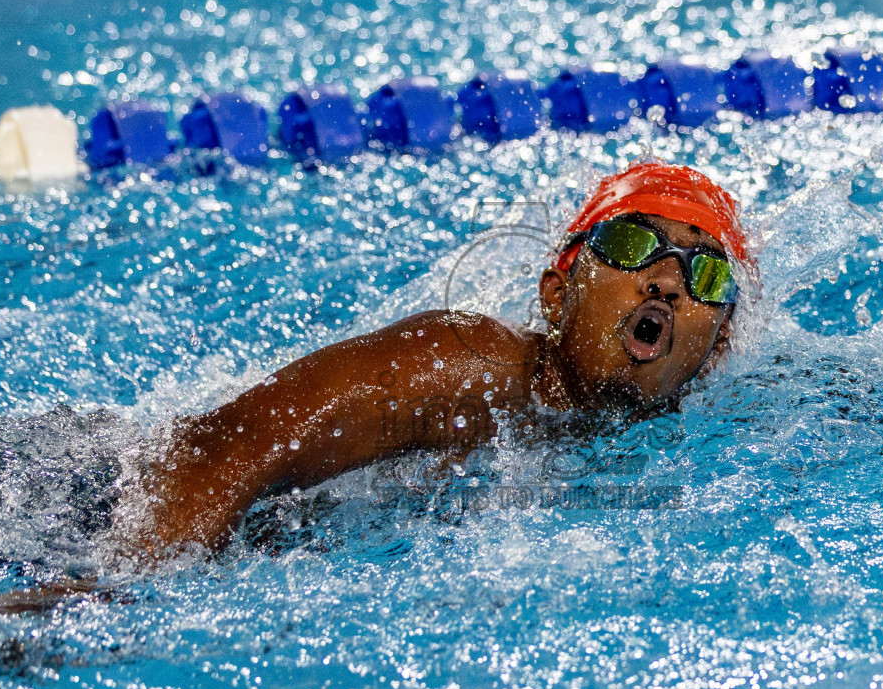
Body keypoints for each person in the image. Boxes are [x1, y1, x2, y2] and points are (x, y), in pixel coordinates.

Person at [116, 160, 752, 562]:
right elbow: (225, 448)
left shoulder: (714, 436)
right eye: (632, 241)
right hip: (93, 499)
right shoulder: (472, 364)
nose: (668, 281)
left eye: (709, 274)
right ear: (556, 296)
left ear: (717, 349)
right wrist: (114, 589)